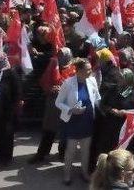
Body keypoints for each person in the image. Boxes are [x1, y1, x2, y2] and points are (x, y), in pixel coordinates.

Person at [56, 58, 101, 186]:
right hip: (73, 122)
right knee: (70, 150)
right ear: (79, 71)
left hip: (88, 121)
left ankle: (84, 173)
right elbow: (58, 102)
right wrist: (70, 110)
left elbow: (97, 98)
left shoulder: (92, 80)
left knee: (86, 150)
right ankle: (67, 174)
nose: (90, 71)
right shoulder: (68, 83)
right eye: (87, 69)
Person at [29, 47, 75, 164]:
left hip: (66, 104)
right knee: (48, 130)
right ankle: (42, 154)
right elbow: (45, 81)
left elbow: (76, 86)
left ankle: (63, 154)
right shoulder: (53, 65)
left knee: (65, 132)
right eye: (58, 54)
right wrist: (51, 88)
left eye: (62, 54)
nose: (59, 56)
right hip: (53, 103)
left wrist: (63, 88)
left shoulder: (74, 69)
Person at [0, 51, 22, 165]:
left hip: (7, 109)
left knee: (7, 134)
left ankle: (6, 157)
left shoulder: (11, 73)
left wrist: (14, 106)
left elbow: (17, 91)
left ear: (3, 59)